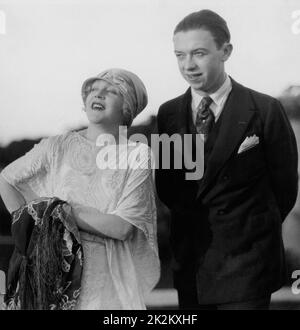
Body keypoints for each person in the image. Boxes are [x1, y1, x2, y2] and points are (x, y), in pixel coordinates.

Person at [155, 9, 298, 310]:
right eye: (180, 55)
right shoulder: (169, 114)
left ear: (226, 51)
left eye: (199, 53)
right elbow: (168, 188)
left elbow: (284, 188)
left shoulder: (264, 109)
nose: (188, 65)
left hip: (248, 265)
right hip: (192, 264)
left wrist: (248, 232)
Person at [0, 68, 160, 310]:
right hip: (51, 268)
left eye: (111, 91)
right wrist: (30, 227)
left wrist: (56, 212)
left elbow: (122, 227)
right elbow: (6, 179)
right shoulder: (59, 145)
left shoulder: (137, 154)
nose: (99, 94)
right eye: (94, 89)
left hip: (106, 277)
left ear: (127, 107)